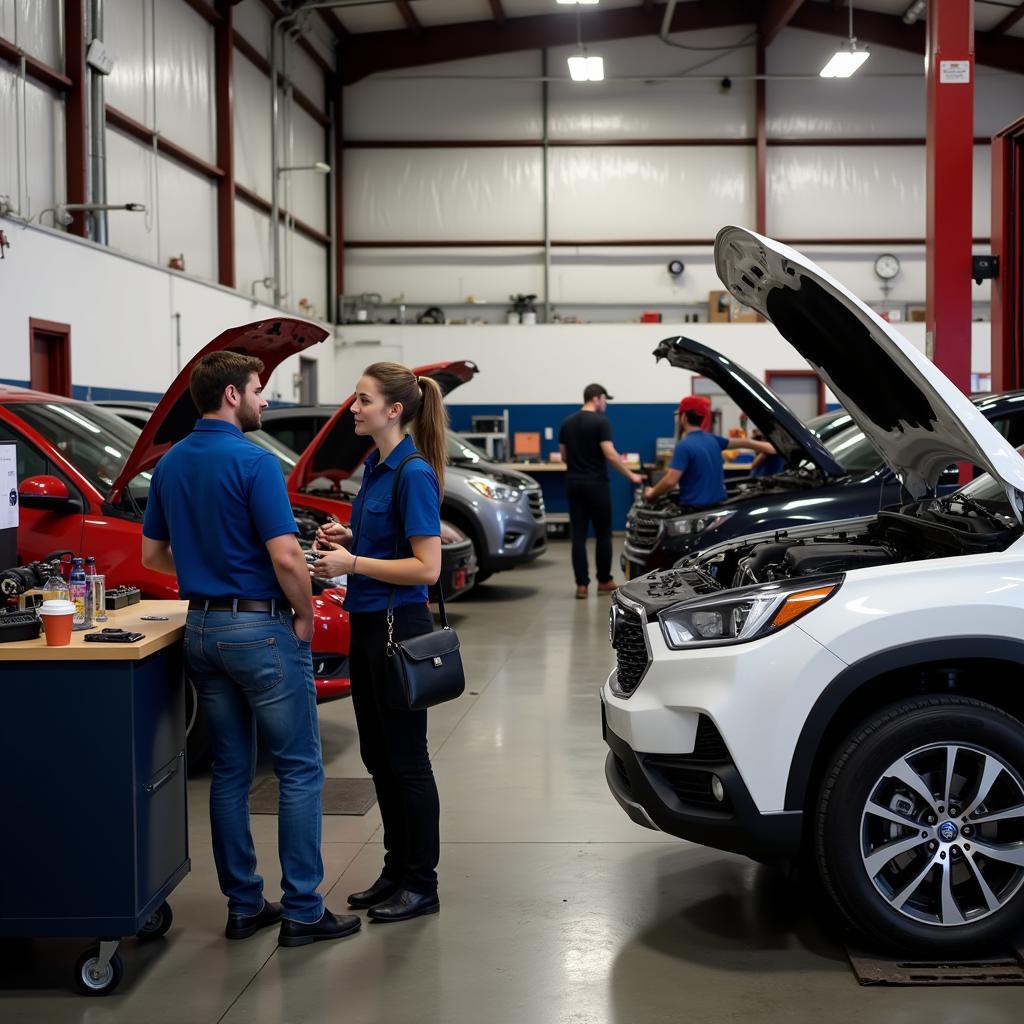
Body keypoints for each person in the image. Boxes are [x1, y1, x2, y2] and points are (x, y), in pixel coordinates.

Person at [140, 351, 360, 947]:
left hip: (203, 631)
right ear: (232, 395)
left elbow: (151, 557)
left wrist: (208, 561)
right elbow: (288, 557)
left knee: (232, 771)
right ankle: (303, 911)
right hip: (259, 631)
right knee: (299, 769)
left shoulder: (171, 464)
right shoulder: (254, 463)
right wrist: (304, 617)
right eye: (260, 389)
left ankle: (243, 905)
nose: (266, 400)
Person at [311, 362, 445, 923]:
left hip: (398, 630)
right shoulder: (376, 467)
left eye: (363, 399)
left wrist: (352, 560)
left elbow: (427, 568)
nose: (353, 407)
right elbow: (385, 543)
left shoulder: (413, 472)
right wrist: (350, 537)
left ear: (394, 410)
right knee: (378, 757)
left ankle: (422, 882)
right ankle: (395, 870)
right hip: (367, 625)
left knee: (407, 760)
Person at [559, 384, 643, 600]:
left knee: (578, 536)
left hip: (574, 483)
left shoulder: (567, 423)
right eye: (605, 399)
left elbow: (564, 457)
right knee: (603, 534)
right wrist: (631, 475)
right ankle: (604, 580)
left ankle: (581, 586)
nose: (605, 404)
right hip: (596, 485)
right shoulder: (601, 422)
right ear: (596, 398)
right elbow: (611, 454)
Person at [644, 395, 777, 507]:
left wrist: (652, 492)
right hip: (718, 507)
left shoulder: (683, 446)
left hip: (694, 512)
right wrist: (771, 447)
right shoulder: (714, 440)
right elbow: (745, 442)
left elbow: (670, 481)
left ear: (683, 417)